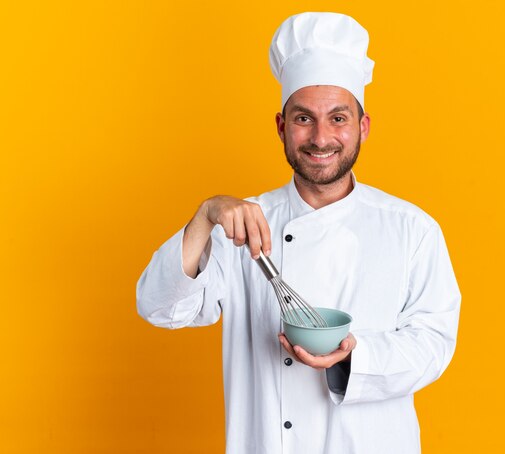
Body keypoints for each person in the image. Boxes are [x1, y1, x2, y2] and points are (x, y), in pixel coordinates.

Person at [136, 12, 461, 454]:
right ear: (281, 127)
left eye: (339, 118)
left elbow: (433, 344)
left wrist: (351, 358)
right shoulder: (242, 224)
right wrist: (205, 215)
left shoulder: (412, 229)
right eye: (304, 118)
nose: (321, 137)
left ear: (363, 128)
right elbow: (158, 308)